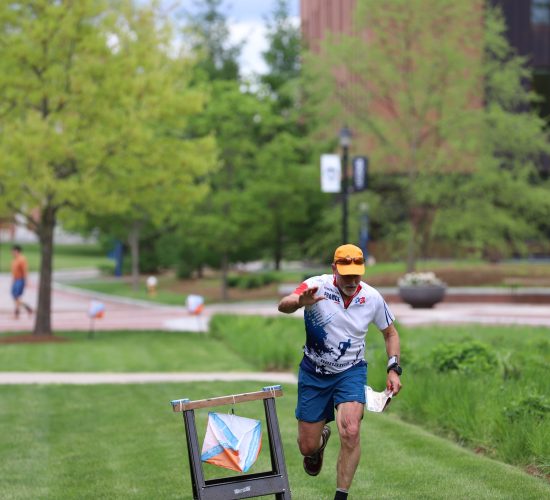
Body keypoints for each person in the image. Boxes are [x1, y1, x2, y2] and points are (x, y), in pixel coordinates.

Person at [278, 244, 402, 500]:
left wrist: (393, 368)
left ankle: (340, 496)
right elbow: (284, 304)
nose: (352, 280)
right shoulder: (316, 285)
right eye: (346, 274)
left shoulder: (372, 297)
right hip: (314, 371)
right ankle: (319, 443)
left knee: (351, 429)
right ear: (334, 268)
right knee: (306, 446)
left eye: (357, 274)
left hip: (351, 371)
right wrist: (300, 301)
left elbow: (390, 333)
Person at [11, 245, 33, 319]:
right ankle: (27, 309)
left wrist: (27, 281)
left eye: (13, 251)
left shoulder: (22, 259)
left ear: (17, 251)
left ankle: (17, 313)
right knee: (15, 297)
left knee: (17, 296)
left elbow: (25, 271)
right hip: (16, 280)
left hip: (20, 280)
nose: (12, 252)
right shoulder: (14, 260)